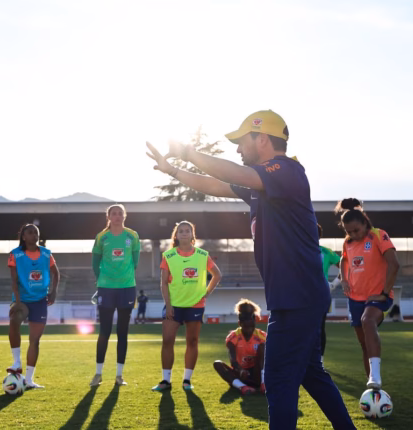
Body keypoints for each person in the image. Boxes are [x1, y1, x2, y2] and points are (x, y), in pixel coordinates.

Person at [146, 110, 355, 429]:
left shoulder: (286, 171)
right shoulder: (264, 185)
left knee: (279, 378)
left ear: (262, 139)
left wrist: (188, 152)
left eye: (242, 141)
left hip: (297, 297)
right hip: (297, 296)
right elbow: (215, 184)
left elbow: (234, 173)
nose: (237, 149)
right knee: (311, 373)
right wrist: (173, 169)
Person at [336, 199, 399, 390]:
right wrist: (344, 279)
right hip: (355, 298)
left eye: (356, 230)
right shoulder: (347, 243)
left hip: (377, 297)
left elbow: (394, 264)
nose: (353, 234)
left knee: (368, 321)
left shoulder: (379, 235)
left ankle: (376, 376)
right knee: (364, 344)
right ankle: (373, 387)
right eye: (349, 232)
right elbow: (343, 260)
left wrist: (384, 293)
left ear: (365, 223)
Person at [152, 221, 221, 391]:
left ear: (192, 235)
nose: (184, 233)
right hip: (173, 305)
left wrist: (207, 292)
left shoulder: (203, 255)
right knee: (167, 341)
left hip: (195, 305)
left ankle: (187, 380)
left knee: (192, 341)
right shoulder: (168, 256)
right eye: (181, 231)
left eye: (187, 231)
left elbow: (217, 275)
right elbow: (163, 284)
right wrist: (168, 305)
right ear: (176, 235)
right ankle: (165, 381)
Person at [89, 204, 140, 387]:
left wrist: (124, 277)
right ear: (109, 217)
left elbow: (135, 261)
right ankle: (98, 374)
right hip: (106, 288)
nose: (117, 216)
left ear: (124, 216)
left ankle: (119, 376)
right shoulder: (102, 237)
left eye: (120, 213)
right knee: (104, 331)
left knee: (122, 332)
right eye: (114, 213)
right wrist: (102, 279)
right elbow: (95, 261)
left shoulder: (132, 236)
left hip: (127, 288)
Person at [7, 224, 60, 389]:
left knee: (35, 341)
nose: (34, 235)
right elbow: (14, 280)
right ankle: (17, 363)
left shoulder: (46, 253)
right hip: (22, 299)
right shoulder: (15, 254)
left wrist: (53, 292)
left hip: (40, 300)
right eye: (30, 232)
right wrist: (17, 301)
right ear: (23, 236)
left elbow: (56, 273)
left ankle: (29, 380)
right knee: (14, 321)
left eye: (36, 232)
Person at [213, 299, 266, 396]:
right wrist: (240, 370)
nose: (249, 330)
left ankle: (263, 383)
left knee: (263, 347)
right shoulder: (233, 337)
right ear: (240, 323)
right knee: (217, 364)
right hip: (241, 374)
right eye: (246, 327)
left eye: (252, 326)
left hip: (257, 372)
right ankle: (243, 387)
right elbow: (232, 360)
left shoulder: (262, 336)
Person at [318, 224, 340, 362]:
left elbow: (345, 265)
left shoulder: (326, 252)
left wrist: (334, 284)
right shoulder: (298, 250)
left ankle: (319, 360)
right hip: (302, 295)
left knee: (320, 327)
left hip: (321, 295)